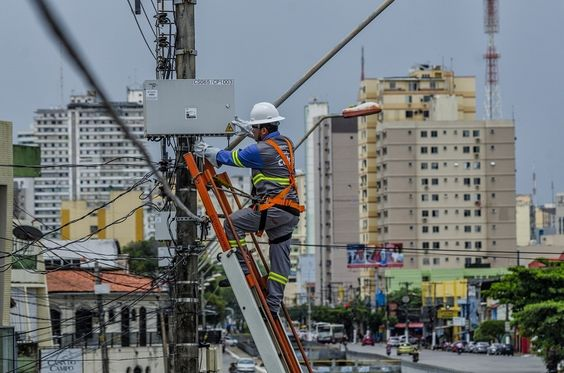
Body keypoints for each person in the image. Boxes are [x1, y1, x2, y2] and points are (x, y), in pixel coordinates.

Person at [194, 102, 304, 316]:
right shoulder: (286, 143)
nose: (252, 131)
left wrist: (206, 151)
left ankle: (243, 268)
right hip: (290, 212)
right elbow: (262, 146)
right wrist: (250, 131)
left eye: (255, 128)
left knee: (233, 223)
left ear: (263, 130)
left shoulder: (260, 150)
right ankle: (273, 306)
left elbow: (231, 158)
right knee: (280, 262)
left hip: (273, 210)